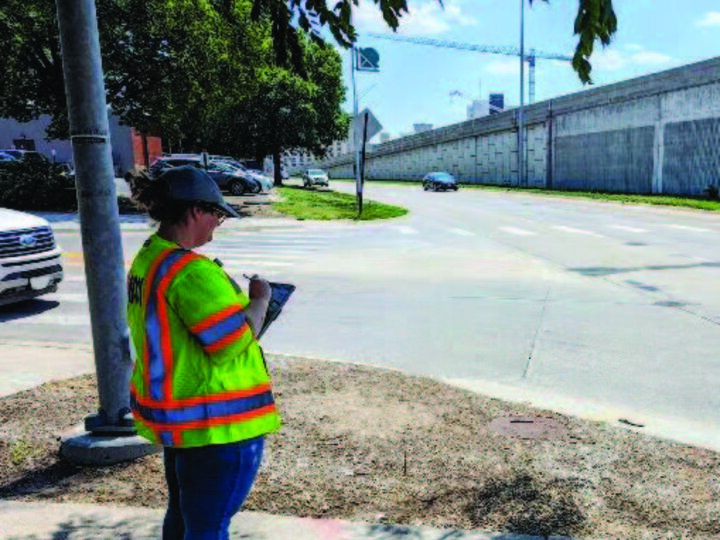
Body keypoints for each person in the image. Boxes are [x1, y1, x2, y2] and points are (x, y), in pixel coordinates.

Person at [126, 165, 281, 539]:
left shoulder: (150, 259)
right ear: (196, 211)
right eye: (218, 214)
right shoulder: (192, 272)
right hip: (220, 429)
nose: (217, 224)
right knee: (208, 528)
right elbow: (234, 339)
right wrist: (260, 300)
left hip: (184, 426)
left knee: (183, 519)